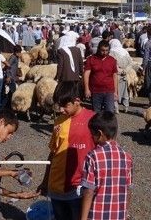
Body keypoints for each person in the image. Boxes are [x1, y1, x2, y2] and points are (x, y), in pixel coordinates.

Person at [41, 81, 96, 220]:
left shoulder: (93, 120)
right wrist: (45, 181)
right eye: (59, 105)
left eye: (65, 105)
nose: (61, 110)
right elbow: (53, 152)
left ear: (77, 101)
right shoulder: (59, 121)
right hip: (56, 186)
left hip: (79, 188)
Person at [80, 111, 133, 220]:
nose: (92, 138)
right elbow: (128, 189)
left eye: (92, 134)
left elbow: (89, 191)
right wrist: (125, 213)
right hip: (119, 215)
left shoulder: (92, 156)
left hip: (97, 215)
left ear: (100, 134)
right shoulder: (127, 157)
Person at [83, 40, 118, 113]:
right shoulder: (91, 59)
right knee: (96, 113)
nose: (104, 52)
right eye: (102, 50)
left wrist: (116, 92)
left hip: (109, 90)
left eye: (106, 50)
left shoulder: (112, 60)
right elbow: (86, 74)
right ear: (98, 49)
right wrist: (86, 89)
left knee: (109, 113)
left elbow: (115, 76)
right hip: (96, 91)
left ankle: (108, 124)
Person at [108, 39, 133, 113]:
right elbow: (130, 63)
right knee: (125, 90)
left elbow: (112, 64)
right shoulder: (125, 51)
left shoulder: (112, 52)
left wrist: (119, 71)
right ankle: (126, 106)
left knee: (115, 90)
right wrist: (125, 71)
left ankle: (116, 108)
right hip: (125, 74)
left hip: (116, 74)